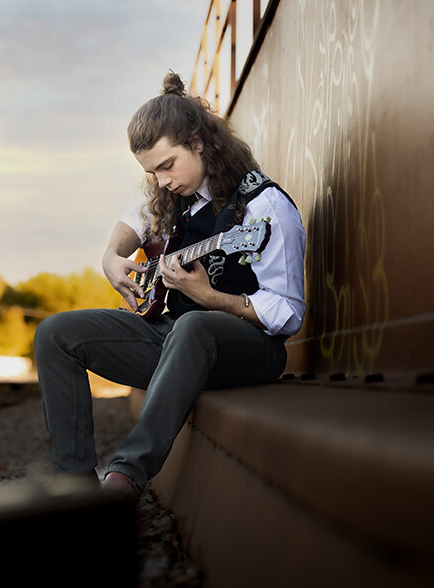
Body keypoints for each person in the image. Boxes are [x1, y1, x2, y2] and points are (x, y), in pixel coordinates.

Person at [33, 71, 306, 498]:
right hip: (176, 341)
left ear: (199, 143)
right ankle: (74, 486)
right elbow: (135, 216)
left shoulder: (264, 206)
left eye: (166, 166)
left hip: (248, 350)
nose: (161, 180)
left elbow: (288, 313)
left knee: (194, 324)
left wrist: (211, 298)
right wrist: (112, 257)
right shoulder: (171, 190)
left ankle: (127, 474)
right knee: (56, 334)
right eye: (152, 171)